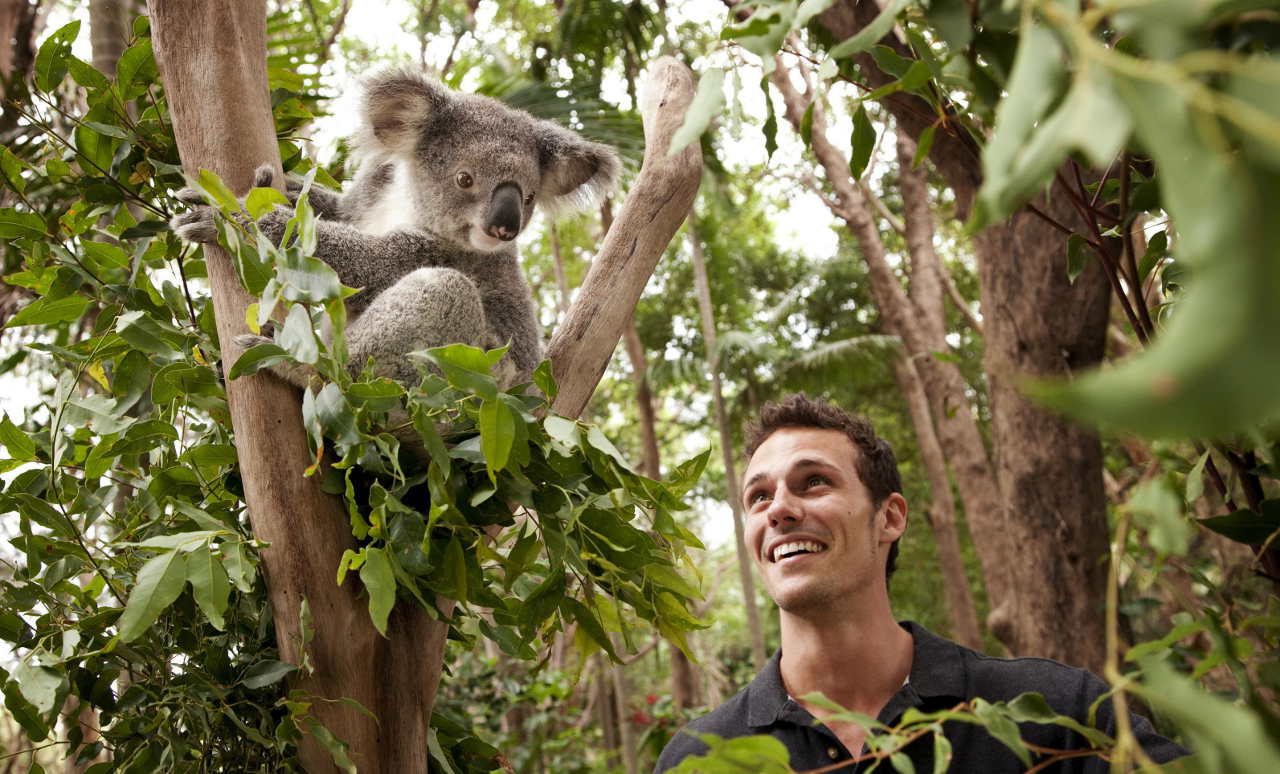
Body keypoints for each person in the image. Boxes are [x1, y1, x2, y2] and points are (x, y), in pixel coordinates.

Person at [654, 394, 1186, 772]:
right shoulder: (699, 757)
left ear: (889, 518)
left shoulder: (1058, 711)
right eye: (759, 497)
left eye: (814, 482)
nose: (780, 511)